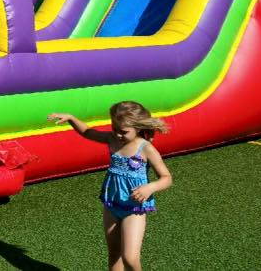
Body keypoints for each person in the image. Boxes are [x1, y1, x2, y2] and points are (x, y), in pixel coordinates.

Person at [48, 102, 172, 271]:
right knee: (114, 254)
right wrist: (71, 118)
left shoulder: (146, 148)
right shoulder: (111, 138)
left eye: (124, 132)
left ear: (138, 127)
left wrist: (149, 188)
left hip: (134, 208)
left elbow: (166, 178)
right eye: (115, 128)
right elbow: (87, 132)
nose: (118, 134)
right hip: (112, 204)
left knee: (130, 258)